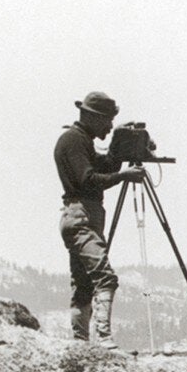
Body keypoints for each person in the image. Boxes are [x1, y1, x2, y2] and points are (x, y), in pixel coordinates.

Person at [53, 90, 147, 343]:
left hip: (84, 216)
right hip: (81, 216)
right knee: (105, 278)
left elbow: (104, 166)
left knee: (83, 287)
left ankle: (81, 344)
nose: (109, 126)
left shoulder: (80, 140)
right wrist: (124, 176)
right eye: (108, 121)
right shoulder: (73, 140)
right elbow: (89, 180)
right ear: (93, 118)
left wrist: (118, 145)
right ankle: (104, 341)